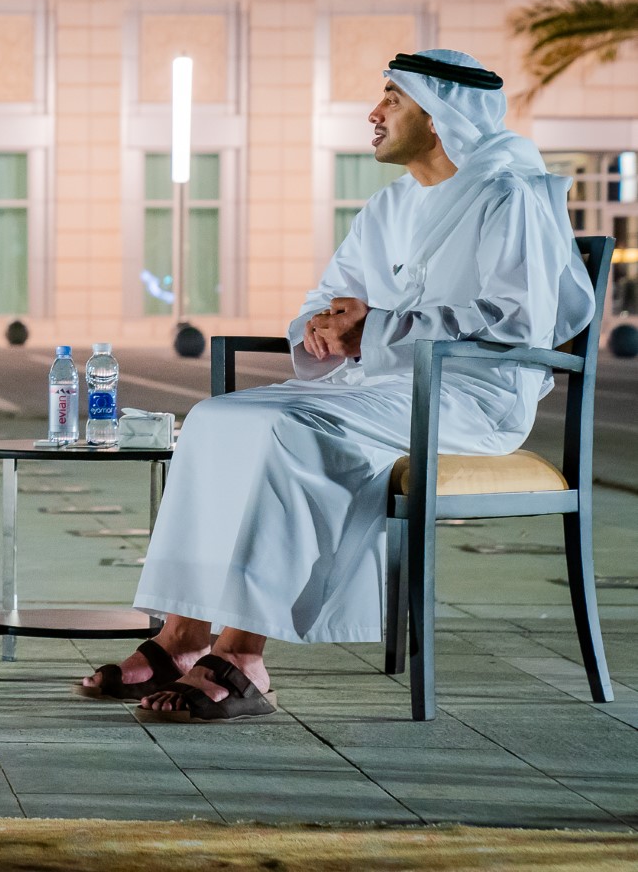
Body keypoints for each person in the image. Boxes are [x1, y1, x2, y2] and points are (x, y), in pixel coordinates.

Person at [80, 49, 596, 721]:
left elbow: (518, 321)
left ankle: (243, 657)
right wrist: (321, 327)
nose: (374, 113)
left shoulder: (509, 195)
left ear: (440, 118)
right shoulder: (390, 206)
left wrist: (377, 329)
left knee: (294, 432)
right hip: (374, 388)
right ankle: (182, 637)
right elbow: (330, 295)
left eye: (393, 99)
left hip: (469, 399)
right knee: (214, 418)